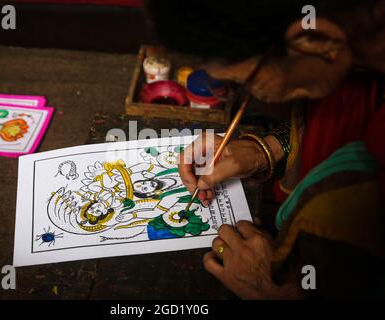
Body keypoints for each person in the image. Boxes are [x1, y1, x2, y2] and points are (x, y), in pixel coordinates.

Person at [145, 0, 385, 298]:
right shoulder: (352, 55)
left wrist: (275, 292)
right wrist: (264, 149)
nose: (249, 96)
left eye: (244, 83)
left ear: (315, 39)